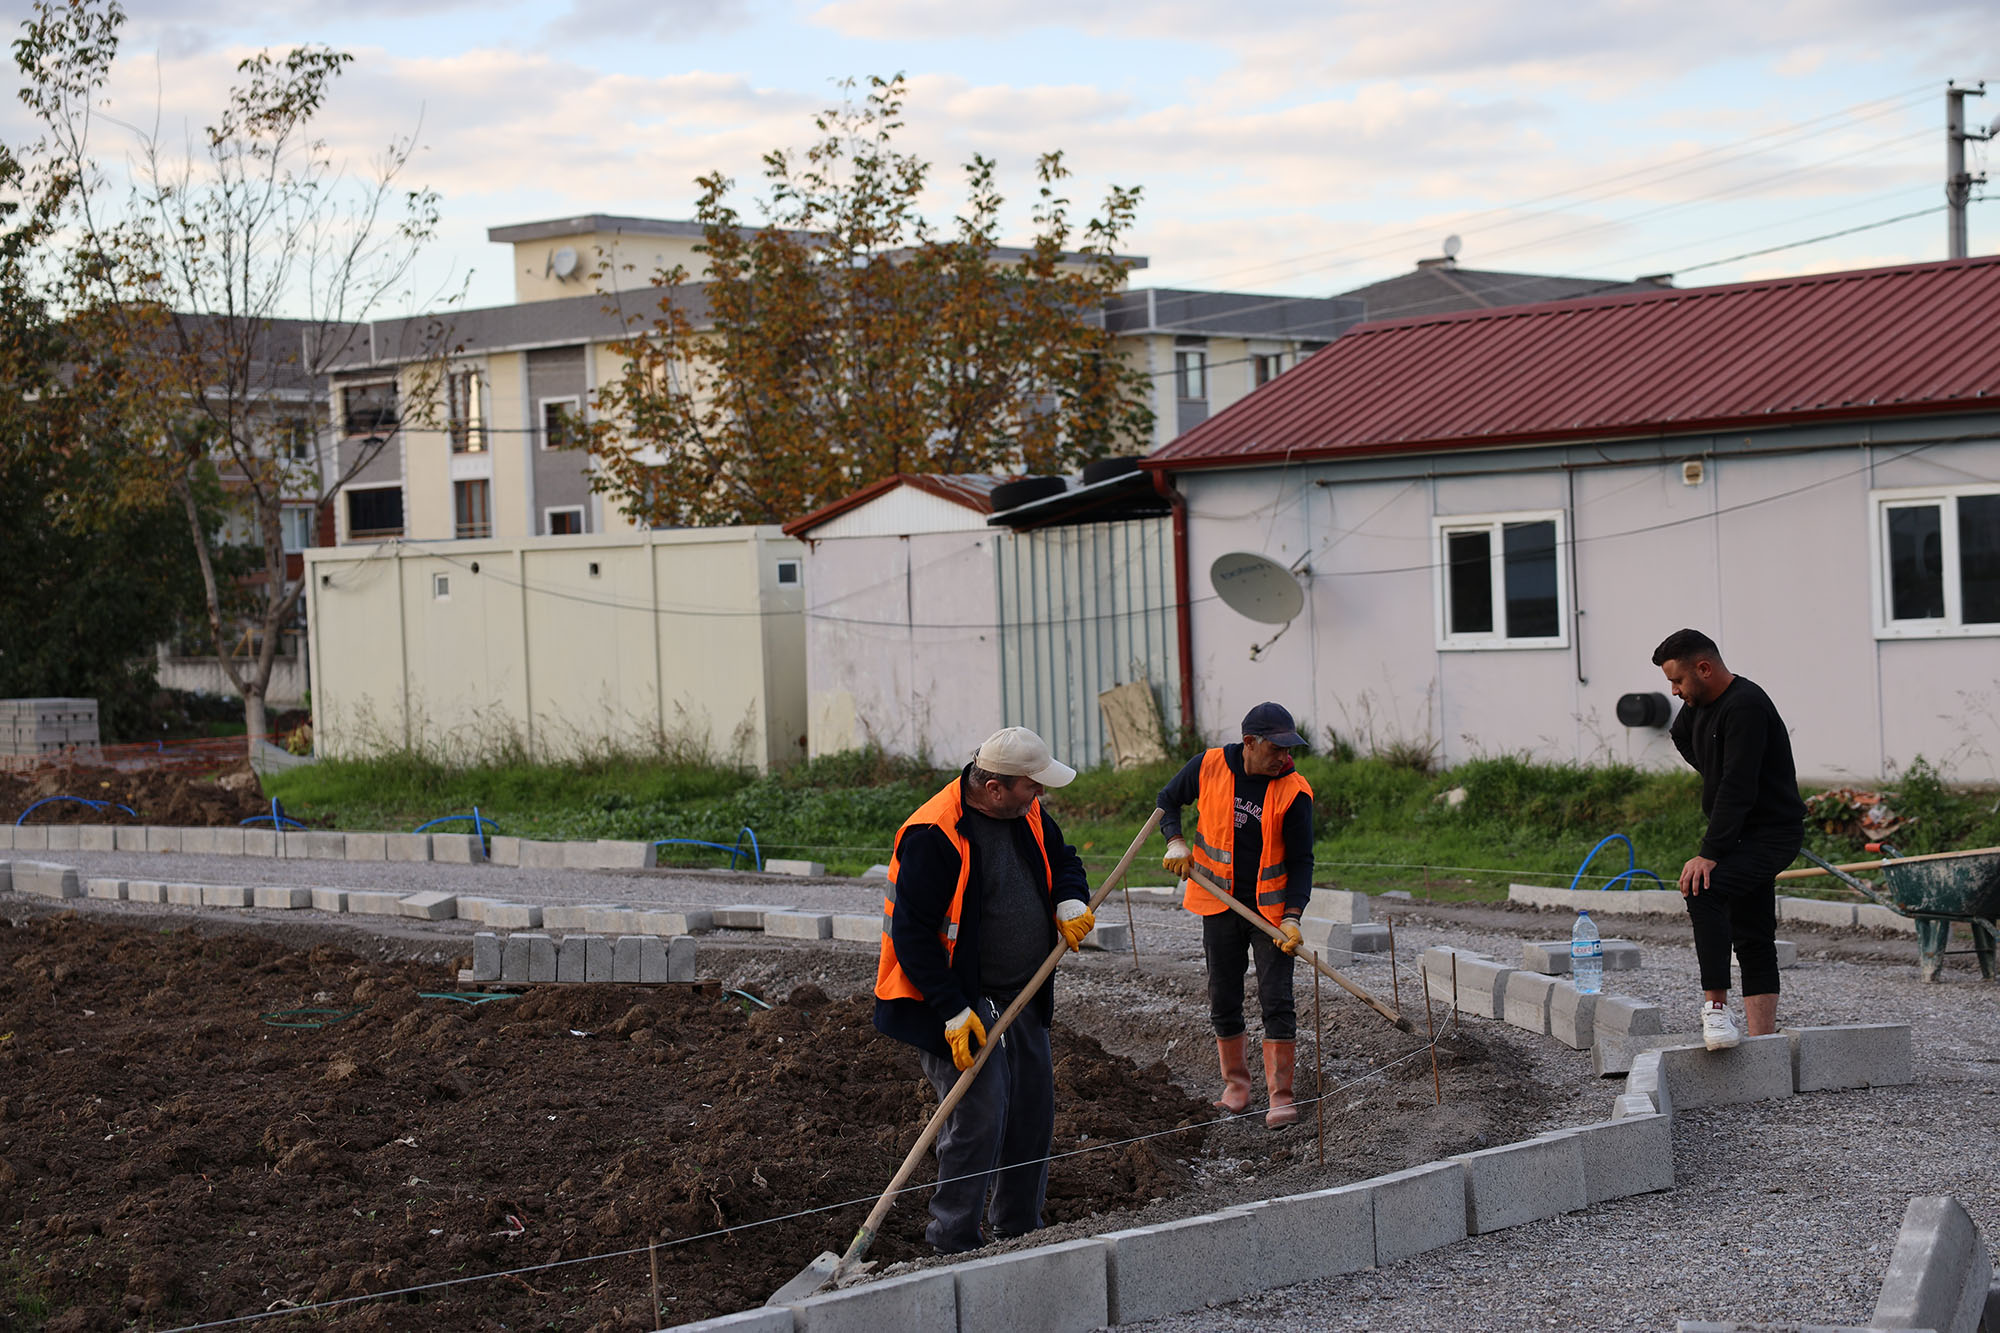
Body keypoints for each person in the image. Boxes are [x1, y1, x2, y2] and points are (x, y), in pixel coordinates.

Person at [873, 726, 1096, 1255]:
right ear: (994, 787)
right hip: (950, 997)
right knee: (980, 1110)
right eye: (1031, 787)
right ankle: (953, 1240)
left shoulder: (1027, 813)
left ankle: (1018, 1228)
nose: (1040, 796)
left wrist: (1069, 899)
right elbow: (911, 934)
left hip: (1023, 987)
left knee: (1031, 1107)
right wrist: (951, 1010)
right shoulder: (934, 834)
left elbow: (1064, 861)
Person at [1157, 702, 1315, 1128]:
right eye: (1276, 749)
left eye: (1288, 749)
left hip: (1271, 914)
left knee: (1277, 999)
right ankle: (1237, 1086)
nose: (1284, 757)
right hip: (1219, 903)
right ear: (1250, 743)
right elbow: (1167, 801)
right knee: (1223, 996)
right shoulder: (1208, 766)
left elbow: (1302, 861)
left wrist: (1294, 917)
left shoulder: (1294, 790)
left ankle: (1280, 1095)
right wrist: (1175, 842)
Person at [1653, 628, 1806, 1050]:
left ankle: (1715, 1013)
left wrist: (1709, 854)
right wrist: (1713, 772)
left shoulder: (1746, 706)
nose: (1674, 690)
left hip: (1771, 835)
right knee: (1753, 932)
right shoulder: (1698, 706)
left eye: (1678, 680)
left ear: (1704, 668)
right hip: (1739, 834)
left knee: (1702, 887)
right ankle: (1764, 1044)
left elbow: (1738, 787)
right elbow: (1682, 737)